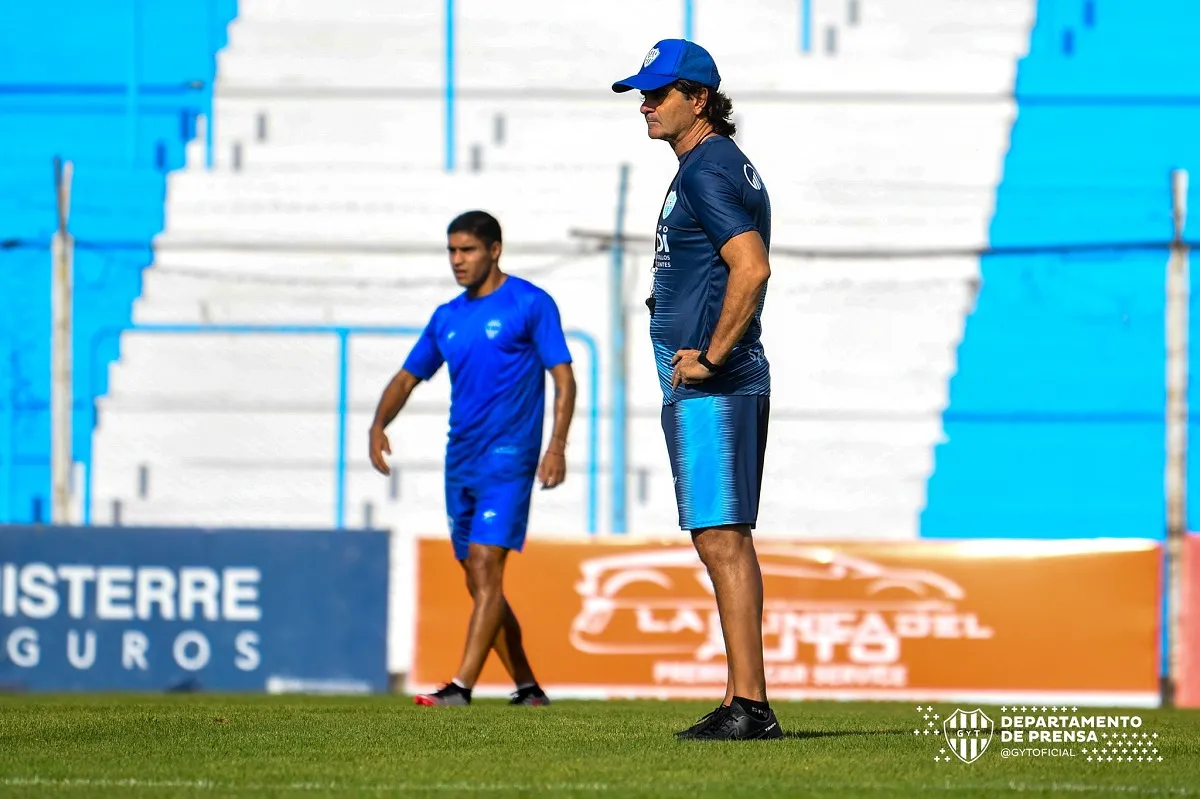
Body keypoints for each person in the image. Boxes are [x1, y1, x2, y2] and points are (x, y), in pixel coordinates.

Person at [612, 40, 781, 740]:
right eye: (643, 93)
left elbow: (752, 267)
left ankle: (750, 704)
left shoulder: (707, 168)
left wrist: (711, 356)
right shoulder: (712, 164)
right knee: (720, 536)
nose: (646, 104)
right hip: (713, 381)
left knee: (721, 537)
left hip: (715, 383)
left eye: (659, 92)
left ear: (699, 99)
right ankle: (743, 696)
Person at [368, 210, 577, 707]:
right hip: (459, 460)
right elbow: (406, 378)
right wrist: (378, 424)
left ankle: (460, 687)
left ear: (495, 250)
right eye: (452, 251)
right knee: (478, 578)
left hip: (510, 456)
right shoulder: (448, 317)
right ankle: (528, 688)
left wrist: (556, 447)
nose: (457, 260)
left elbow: (563, 378)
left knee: (486, 564)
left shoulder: (530, 303)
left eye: (468, 250)